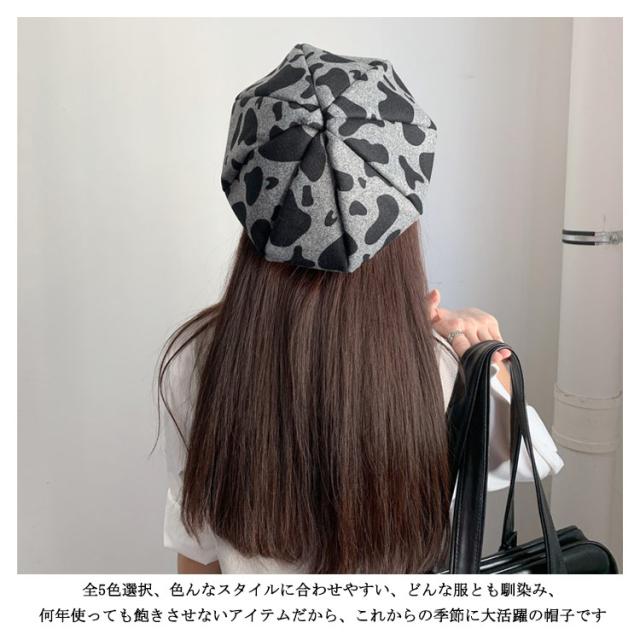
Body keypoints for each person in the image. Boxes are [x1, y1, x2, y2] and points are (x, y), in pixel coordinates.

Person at [155, 43, 564, 574]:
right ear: (402, 211)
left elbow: (198, 548)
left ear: (253, 200)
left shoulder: (194, 359)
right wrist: (487, 357)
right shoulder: (440, 364)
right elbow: (530, 460)